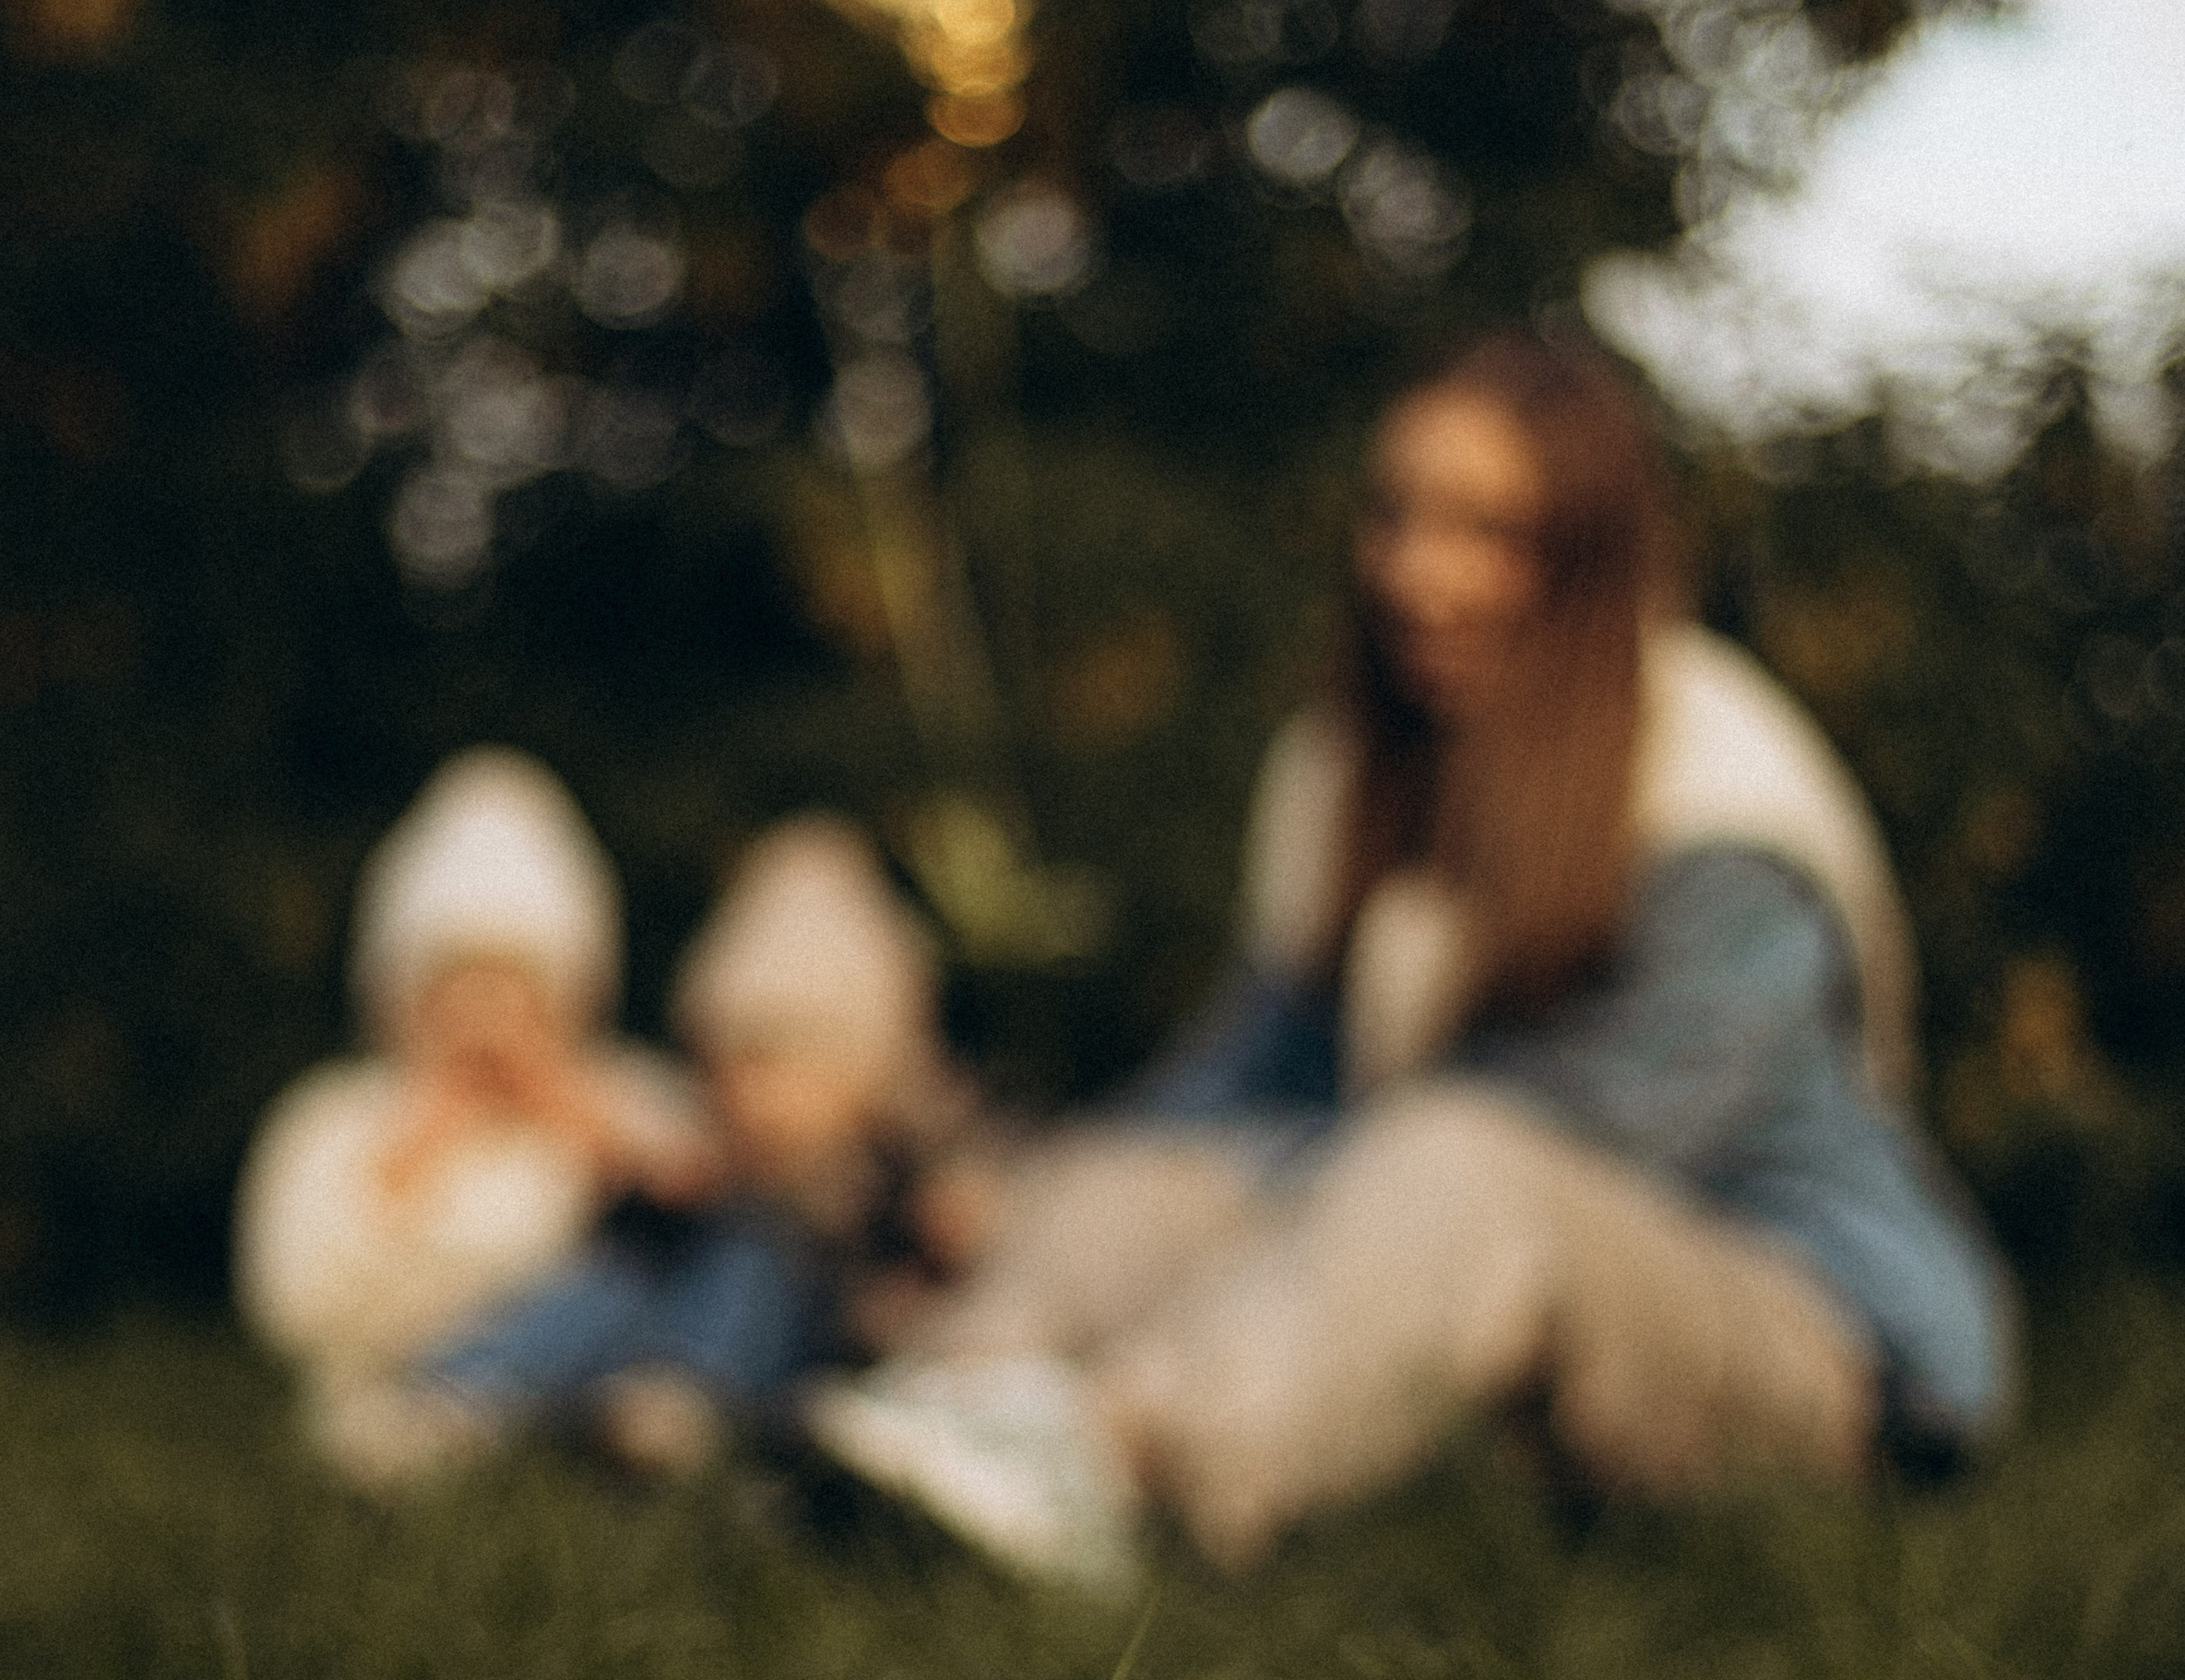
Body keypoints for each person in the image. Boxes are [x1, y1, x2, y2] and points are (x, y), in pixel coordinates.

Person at [802, 329, 2019, 1584]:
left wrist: (1221, 1258)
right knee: (1141, 1184)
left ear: (1587, 562)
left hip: (1807, 1354)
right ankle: (929, 1433)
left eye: (1488, 531)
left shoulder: (1720, 789)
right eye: (1396, 518)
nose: (1417, 574)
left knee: (1456, 1163)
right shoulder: (1352, 776)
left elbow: (1606, 1125)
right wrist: (1026, 1193)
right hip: (1489, 1324)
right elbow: (1245, 1080)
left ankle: (1110, 1460)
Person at [398, 813, 1004, 1468]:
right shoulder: (706, 1143)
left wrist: (940, 1227)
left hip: (794, 1364)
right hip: (649, 1332)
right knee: (611, 1283)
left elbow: (913, 1264)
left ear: (863, 1078)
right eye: (739, 1064)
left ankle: (677, 1403)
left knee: (756, 1256)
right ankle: (459, 1391)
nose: (758, 1094)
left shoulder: (885, 1165)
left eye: (789, 1064)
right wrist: (660, 1186)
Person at [233, 749, 716, 1487]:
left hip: (616, 1360)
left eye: (516, 989)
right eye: (460, 987)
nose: (487, 1022)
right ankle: (438, 1412)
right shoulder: (338, 1119)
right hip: (408, 1364)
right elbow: (293, 1306)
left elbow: (706, 1220)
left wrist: (584, 1124)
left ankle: (636, 1423)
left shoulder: (629, 1093)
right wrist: (416, 1152)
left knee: (635, 1287)